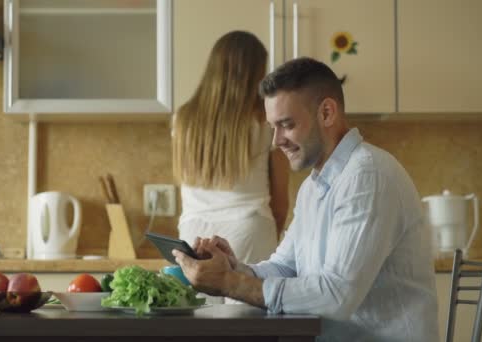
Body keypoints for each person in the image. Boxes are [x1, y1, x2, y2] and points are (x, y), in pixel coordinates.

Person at [173, 57, 439, 341]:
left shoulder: (367, 176)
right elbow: (285, 267)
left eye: (286, 124)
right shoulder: (314, 188)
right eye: (273, 127)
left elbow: (336, 295)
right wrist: (233, 267)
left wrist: (229, 283)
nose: (277, 140)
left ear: (326, 113)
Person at [172, 30, 290, 275]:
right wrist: (270, 240)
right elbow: (280, 202)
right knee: (247, 313)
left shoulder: (183, 120)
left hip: (193, 234)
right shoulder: (265, 121)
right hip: (249, 228)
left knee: (199, 312)